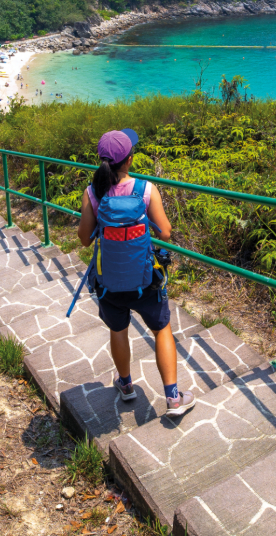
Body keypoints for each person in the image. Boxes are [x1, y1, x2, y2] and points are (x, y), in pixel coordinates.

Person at [77, 129, 196, 417]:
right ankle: (173, 399)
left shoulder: (92, 192)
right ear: (129, 159)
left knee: (118, 330)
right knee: (161, 329)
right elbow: (165, 232)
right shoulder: (145, 189)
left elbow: (84, 239)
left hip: (109, 281)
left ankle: (126, 384)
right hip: (145, 279)